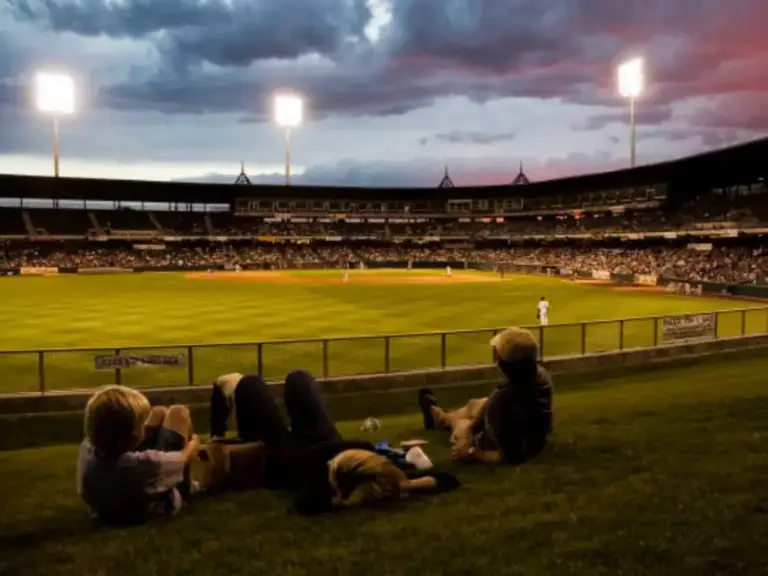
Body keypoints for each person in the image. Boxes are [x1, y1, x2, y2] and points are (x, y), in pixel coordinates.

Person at [207, 371, 459, 514]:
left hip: (288, 459)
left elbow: (306, 505)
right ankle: (219, 427)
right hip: (325, 445)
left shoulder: (326, 486)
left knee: (249, 384)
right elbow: (447, 479)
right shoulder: (384, 472)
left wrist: (345, 496)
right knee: (298, 379)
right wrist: (409, 483)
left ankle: (217, 431)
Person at [418, 327, 553, 465]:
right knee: (474, 404)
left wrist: (473, 453)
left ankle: (444, 419)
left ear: (502, 364)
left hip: (494, 440)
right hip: (533, 428)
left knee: (461, 426)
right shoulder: (540, 375)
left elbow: (510, 456)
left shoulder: (502, 404)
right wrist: (472, 426)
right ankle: (442, 418)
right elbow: (491, 403)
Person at [77, 385, 201, 526]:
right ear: (133, 434)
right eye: (140, 424)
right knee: (179, 412)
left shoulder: (87, 449)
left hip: (106, 508)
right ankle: (188, 486)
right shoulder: (140, 465)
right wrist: (194, 441)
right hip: (152, 505)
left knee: (159, 411)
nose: (143, 425)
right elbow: (184, 457)